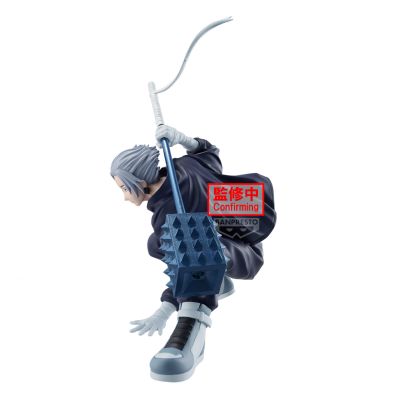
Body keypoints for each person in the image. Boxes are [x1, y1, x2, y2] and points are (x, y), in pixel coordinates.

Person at [110, 125, 276, 381]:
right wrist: (182, 139)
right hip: (245, 230)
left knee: (190, 253)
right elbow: (209, 151)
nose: (124, 196)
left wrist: (165, 309)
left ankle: (190, 337)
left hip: (240, 254)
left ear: (140, 182)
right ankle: (218, 278)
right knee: (159, 243)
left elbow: (186, 266)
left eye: (124, 187)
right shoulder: (184, 165)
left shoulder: (170, 212)